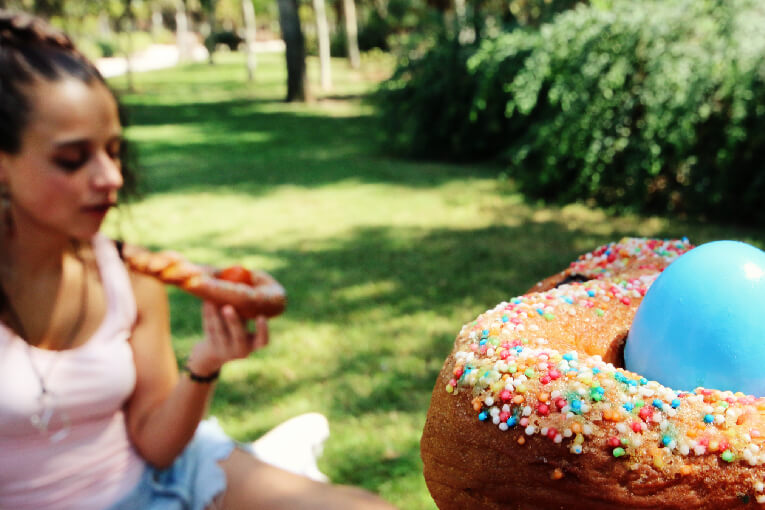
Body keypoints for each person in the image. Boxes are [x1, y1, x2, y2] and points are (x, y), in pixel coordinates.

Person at [0, 11, 395, 510]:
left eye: (114, 150)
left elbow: (155, 442)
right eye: (72, 159)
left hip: (166, 478)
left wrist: (206, 363)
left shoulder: (130, 277)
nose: (111, 178)